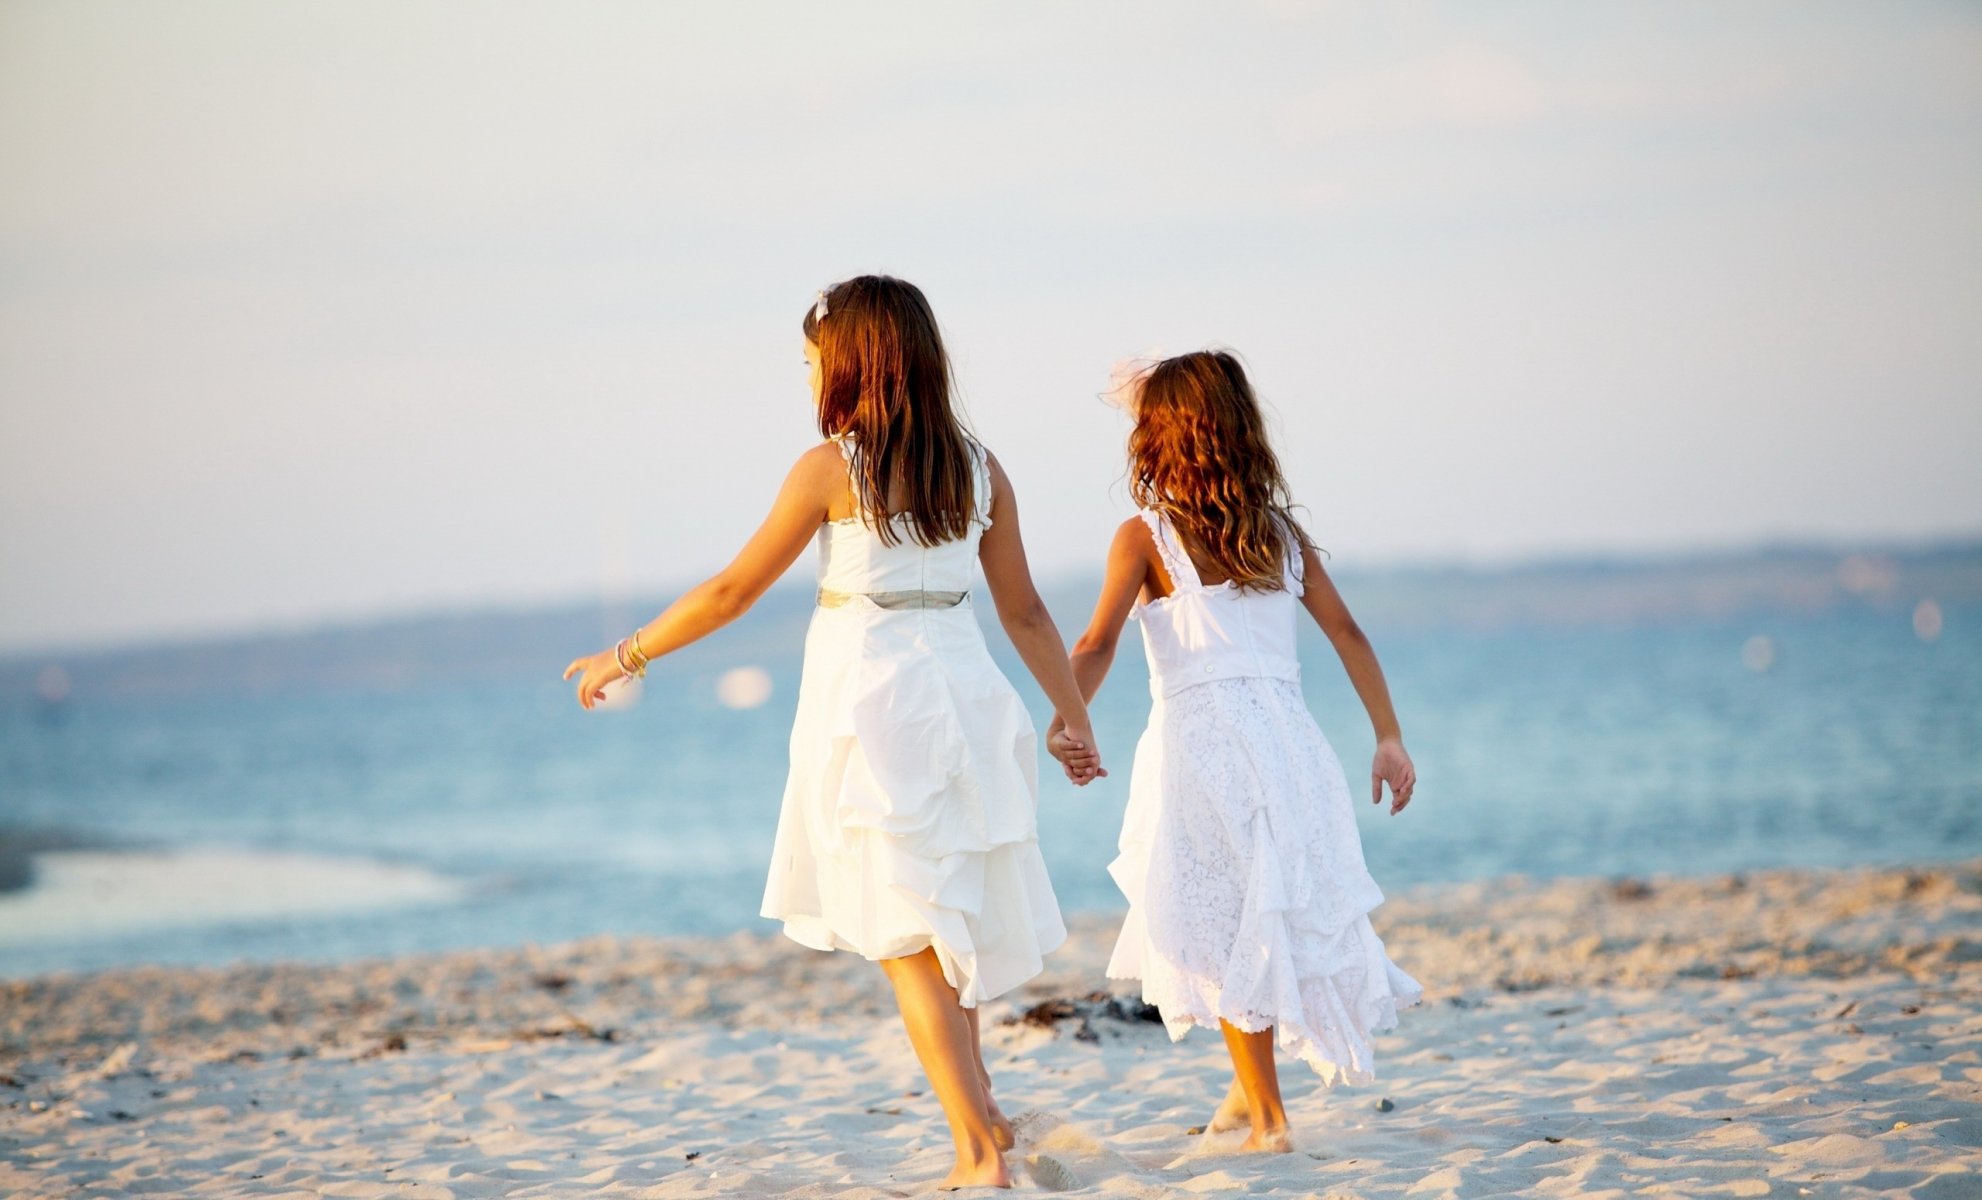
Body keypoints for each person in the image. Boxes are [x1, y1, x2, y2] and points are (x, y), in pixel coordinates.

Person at [565, 276, 1099, 1189]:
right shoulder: (980, 468)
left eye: (813, 357)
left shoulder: (830, 467)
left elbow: (732, 592)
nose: (808, 372)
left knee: (908, 941)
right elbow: (1026, 612)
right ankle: (988, 1118)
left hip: (875, 706)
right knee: (942, 923)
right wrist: (1072, 717)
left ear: (854, 362)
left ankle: (977, 1157)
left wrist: (627, 654)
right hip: (965, 697)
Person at [1051, 349, 1421, 1153]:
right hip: (1290, 746)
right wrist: (1387, 735)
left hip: (1204, 747)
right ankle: (1246, 1096)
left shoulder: (1144, 537)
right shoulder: (1280, 535)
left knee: (1225, 928)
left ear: (1158, 437)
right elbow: (1349, 634)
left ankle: (1270, 1120)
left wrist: (1067, 717)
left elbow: (1095, 643)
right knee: (1264, 911)